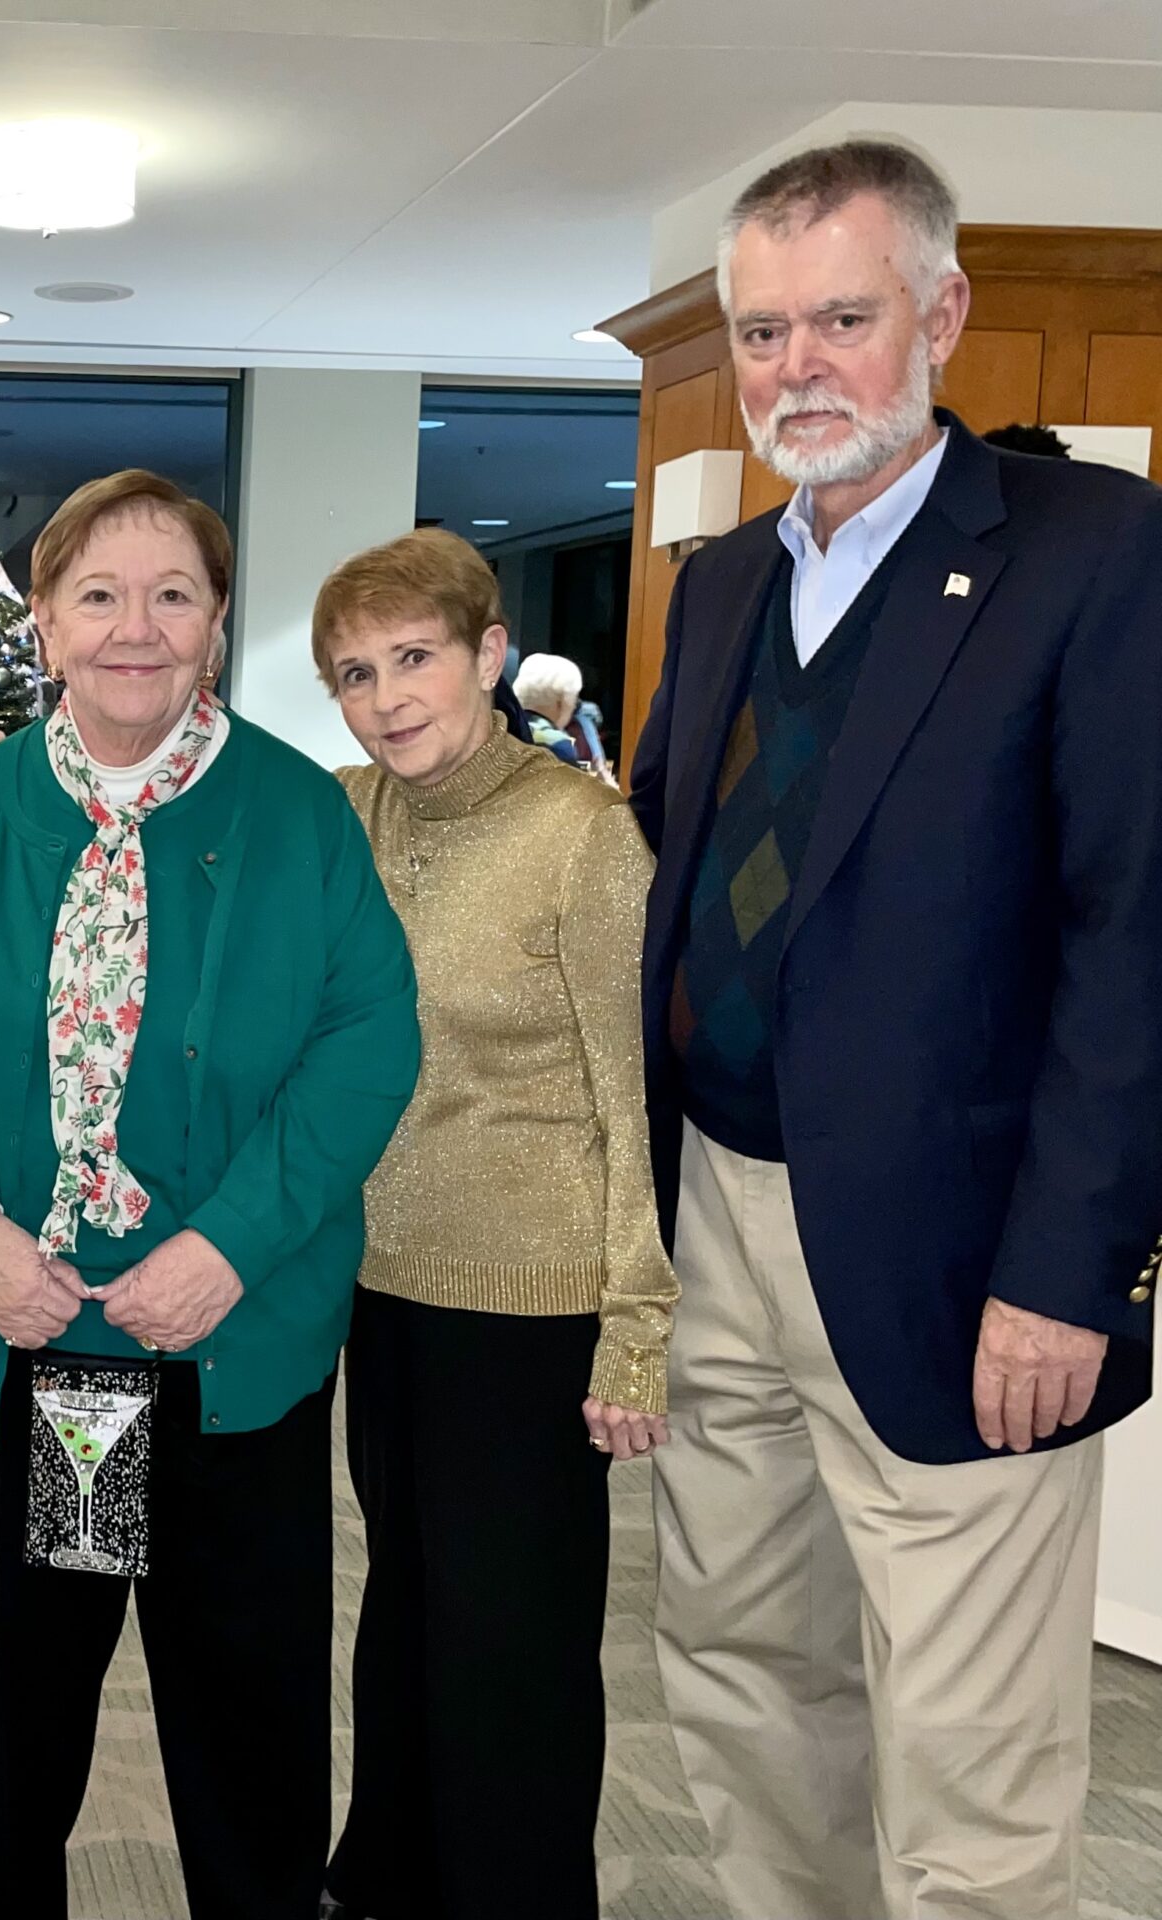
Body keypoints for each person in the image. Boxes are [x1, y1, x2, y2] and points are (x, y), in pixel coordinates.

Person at [632, 139, 1161, 1920]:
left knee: (970, 1750)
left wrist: (1074, 1272)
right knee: (737, 1670)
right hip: (719, 1218)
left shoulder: (1093, 558)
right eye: (765, 329)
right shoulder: (716, 589)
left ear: (939, 315)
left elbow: (1136, 938)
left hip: (962, 1259)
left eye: (841, 319)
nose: (799, 369)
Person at [0, 470, 421, 1920]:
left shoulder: (295, 814)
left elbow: (368, 1040)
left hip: (223, 1344)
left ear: (216, 624)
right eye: (98, 595)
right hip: (46, 1344)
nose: (134, 630)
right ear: (45, 623)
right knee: (25, 1691)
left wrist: (229, 1247)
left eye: (172, 596)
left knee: (243, 1700)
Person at [312, 530, 675, 1920]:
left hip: (531, 1309)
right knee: (399, 1618)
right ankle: (390, 1881)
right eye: (356, 672)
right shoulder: (352, 814)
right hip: (381, 1297)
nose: (390, 696)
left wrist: (636, 1330)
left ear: (487, 653)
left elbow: (637, 1101)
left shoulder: (583, 838)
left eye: (416, 659)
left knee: (509, 1654)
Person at [514, 650, 613, 780]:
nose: (575, 706)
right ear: (561, 702)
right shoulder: (557, 743)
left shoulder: (504, 728)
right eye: (574, 700)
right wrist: (605, 785)